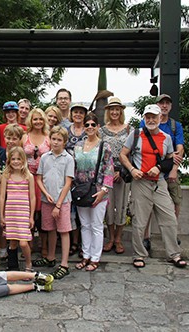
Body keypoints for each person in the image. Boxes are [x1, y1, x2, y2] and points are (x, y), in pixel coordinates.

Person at [120, 104, 187, 269]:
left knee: (169, 218)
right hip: (140, 182)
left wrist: (159, 167)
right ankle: (139, 254)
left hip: (159, 182)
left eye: (154, 117)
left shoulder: (166, 138)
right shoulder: (135, 135)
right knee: (140, 221)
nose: (151, 120)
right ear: (144, 118)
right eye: (148, 117)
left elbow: (171, 158)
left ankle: (174, 254)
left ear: (159, 118)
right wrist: (132, 169)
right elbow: (123, 154)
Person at [139, 93, 185, 251]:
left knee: (175, 203)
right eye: (161, 103)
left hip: (169, 170)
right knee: (147, 208)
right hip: (149, 174)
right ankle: (146, 236)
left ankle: (173, 235)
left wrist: (174, 169)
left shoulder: (174, 126)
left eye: (167, 103)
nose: (164, 106)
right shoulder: (144, 124)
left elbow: (178, 150)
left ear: (170, 106)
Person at [73, 113, 114, 272]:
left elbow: (109, 170)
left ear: (97, 127)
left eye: (93, 124)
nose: (90, 127)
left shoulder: (104, 146)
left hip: (98, 191)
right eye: (87, 124)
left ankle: (95, 257)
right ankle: (86, 254)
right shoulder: (78, 146)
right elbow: (74, 169)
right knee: (84, 225)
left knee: (97, 225)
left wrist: (103, 191)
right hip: (81, 191)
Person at [33, 126, 74, 279]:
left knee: (63, 230)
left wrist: (58, 204)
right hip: (47, 200)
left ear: (64, 142)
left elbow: (68, 183)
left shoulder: (68, 158)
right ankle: (50, 257)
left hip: (62, 202)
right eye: (53, 139)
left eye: (59, 140)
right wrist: (45, 193)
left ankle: (64, 264)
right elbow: (39, 178)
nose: (55, 142)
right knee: (50, 229)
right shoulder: (45, 157)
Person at [99, 97, 131, 255]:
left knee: (122, 205)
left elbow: (131, 151)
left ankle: (118, 238)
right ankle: (110, 238)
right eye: (112, 109)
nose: (114, 112)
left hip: (124, 171)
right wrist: (111, 171)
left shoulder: (129, 129)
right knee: (109, 207)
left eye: (117, 109)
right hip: (107, 172)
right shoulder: (102, 130)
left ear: (121, 111)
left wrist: (122, 170)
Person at [0, 146, 35, 271]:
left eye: (18, 159)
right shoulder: (6, 175)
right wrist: (2, 215)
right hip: (10, 212)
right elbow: (2, 196)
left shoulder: (28, 176)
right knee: (13, 241)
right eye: (13, 159)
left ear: (23, 160)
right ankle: (13, 266)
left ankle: (28, 264)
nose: (16, 161)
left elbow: (32, 197)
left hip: (23, 213)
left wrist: (31, 216)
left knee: (23, 242)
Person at [22, 108, 51, 261]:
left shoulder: (48, 137)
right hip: (27, 179)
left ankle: (44, 245)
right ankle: (29, 243)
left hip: (44, 179)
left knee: (44, 213)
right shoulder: (24, 137)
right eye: (35, 119)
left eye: (40, 119)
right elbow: (19, 157)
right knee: (29, 212)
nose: (38, 122)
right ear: (30, 121)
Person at [65, 104, 88, 257]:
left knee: (83, 211)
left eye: (81, 112)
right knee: (71, 211)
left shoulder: (89, 130)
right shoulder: (67, 131)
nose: (78, 115)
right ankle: (73, 242)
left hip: (85, 176)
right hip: (68, 175)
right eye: (76, 112)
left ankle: (83, 243)